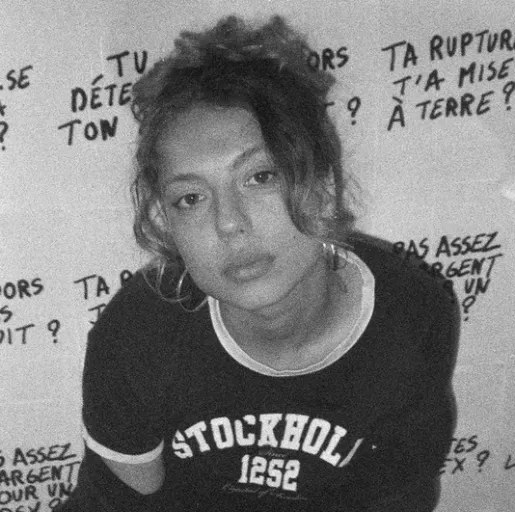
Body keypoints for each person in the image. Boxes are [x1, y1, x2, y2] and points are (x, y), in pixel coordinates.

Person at [58, 14, 459, 512]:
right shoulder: (139, 334)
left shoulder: (412, 316)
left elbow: (396, 498)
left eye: (260, 177)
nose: (229, 223)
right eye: (190, 198)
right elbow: (115, 504)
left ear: (321, 186)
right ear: (165, 222)